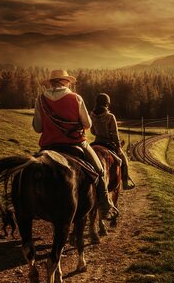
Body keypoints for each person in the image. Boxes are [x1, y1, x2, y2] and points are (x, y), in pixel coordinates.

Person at [32, 69, 119, 220]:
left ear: (51, 83)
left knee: (33, 171)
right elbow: (87, 123)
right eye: (68, 81)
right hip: (76, 143)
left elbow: (38, 128)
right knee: (99, 170)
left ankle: (32, 204)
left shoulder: (40, 100)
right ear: (64, 82)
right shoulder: (76, 98)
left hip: (48, 145)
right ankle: (105, 205)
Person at [90, 93, 135, 190]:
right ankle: (125, 182)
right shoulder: (110, 116)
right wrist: (118, 146)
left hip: (96, 142)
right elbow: (115, 134)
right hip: (109, 143)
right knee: (124, 160)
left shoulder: (92, 115)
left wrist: (99, 133)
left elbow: (92, 131)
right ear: (107, 103)